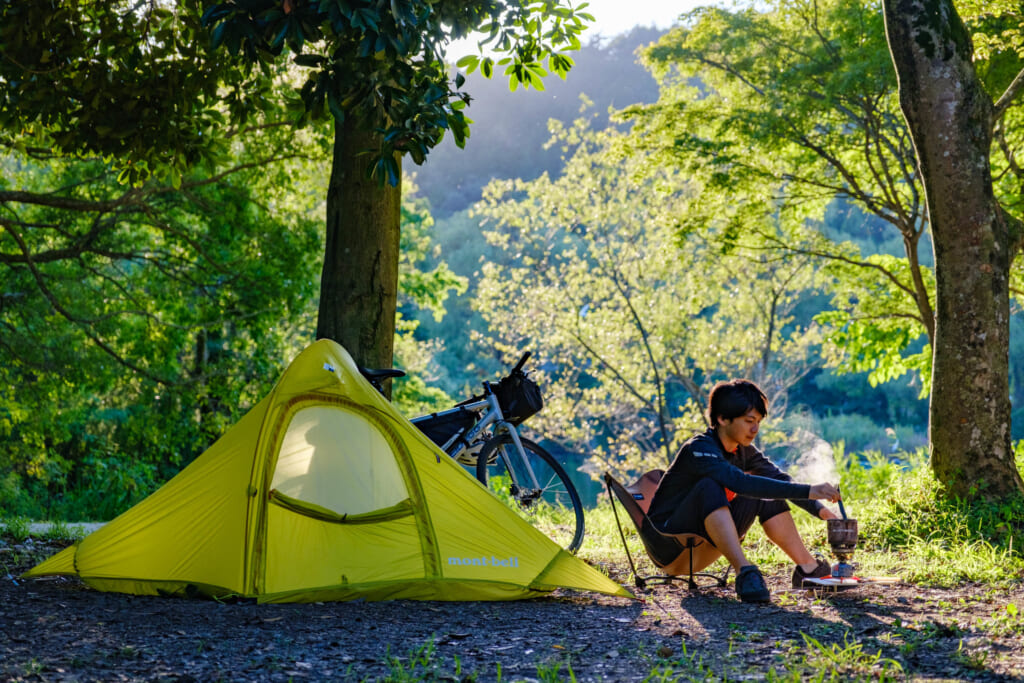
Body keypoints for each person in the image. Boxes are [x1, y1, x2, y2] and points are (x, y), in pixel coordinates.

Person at [646, 379, 840, 603]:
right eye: (749, 421)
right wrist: (810, 490)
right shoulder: (699, 449)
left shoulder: (745, 451)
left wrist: (820, 510)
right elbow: (739, 483)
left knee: (767, 489)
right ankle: (744, 572)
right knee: (709, 486)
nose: (755, 429)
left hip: (703, 546)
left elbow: (777, 478)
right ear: (722, 419)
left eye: (758, 421)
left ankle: (809, 569)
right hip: (670, 548)